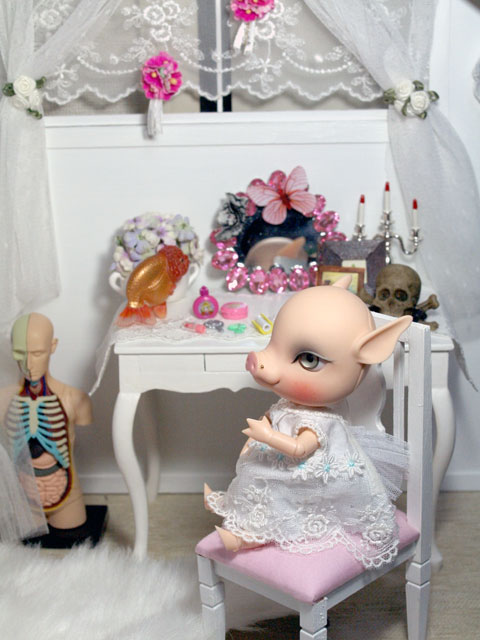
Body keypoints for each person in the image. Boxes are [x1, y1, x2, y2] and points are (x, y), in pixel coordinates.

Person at [205, 277, 411, 569]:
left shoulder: (322, 422)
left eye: (308, 360)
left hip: (308, 482)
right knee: (254, 481)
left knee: (281, 501)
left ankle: (247, 539)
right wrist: (255, 439)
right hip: (279, 465)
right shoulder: (287, 404)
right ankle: (231, 505)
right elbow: (273, 417)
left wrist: (267, 436)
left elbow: (300, 449)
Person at [4, 312, 92, 530]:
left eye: (37, 353)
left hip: (67, 495)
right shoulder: (3, 400)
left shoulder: (76, 398)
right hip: (24, 498)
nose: (28, 364)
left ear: (53, 346)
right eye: (20, 353)